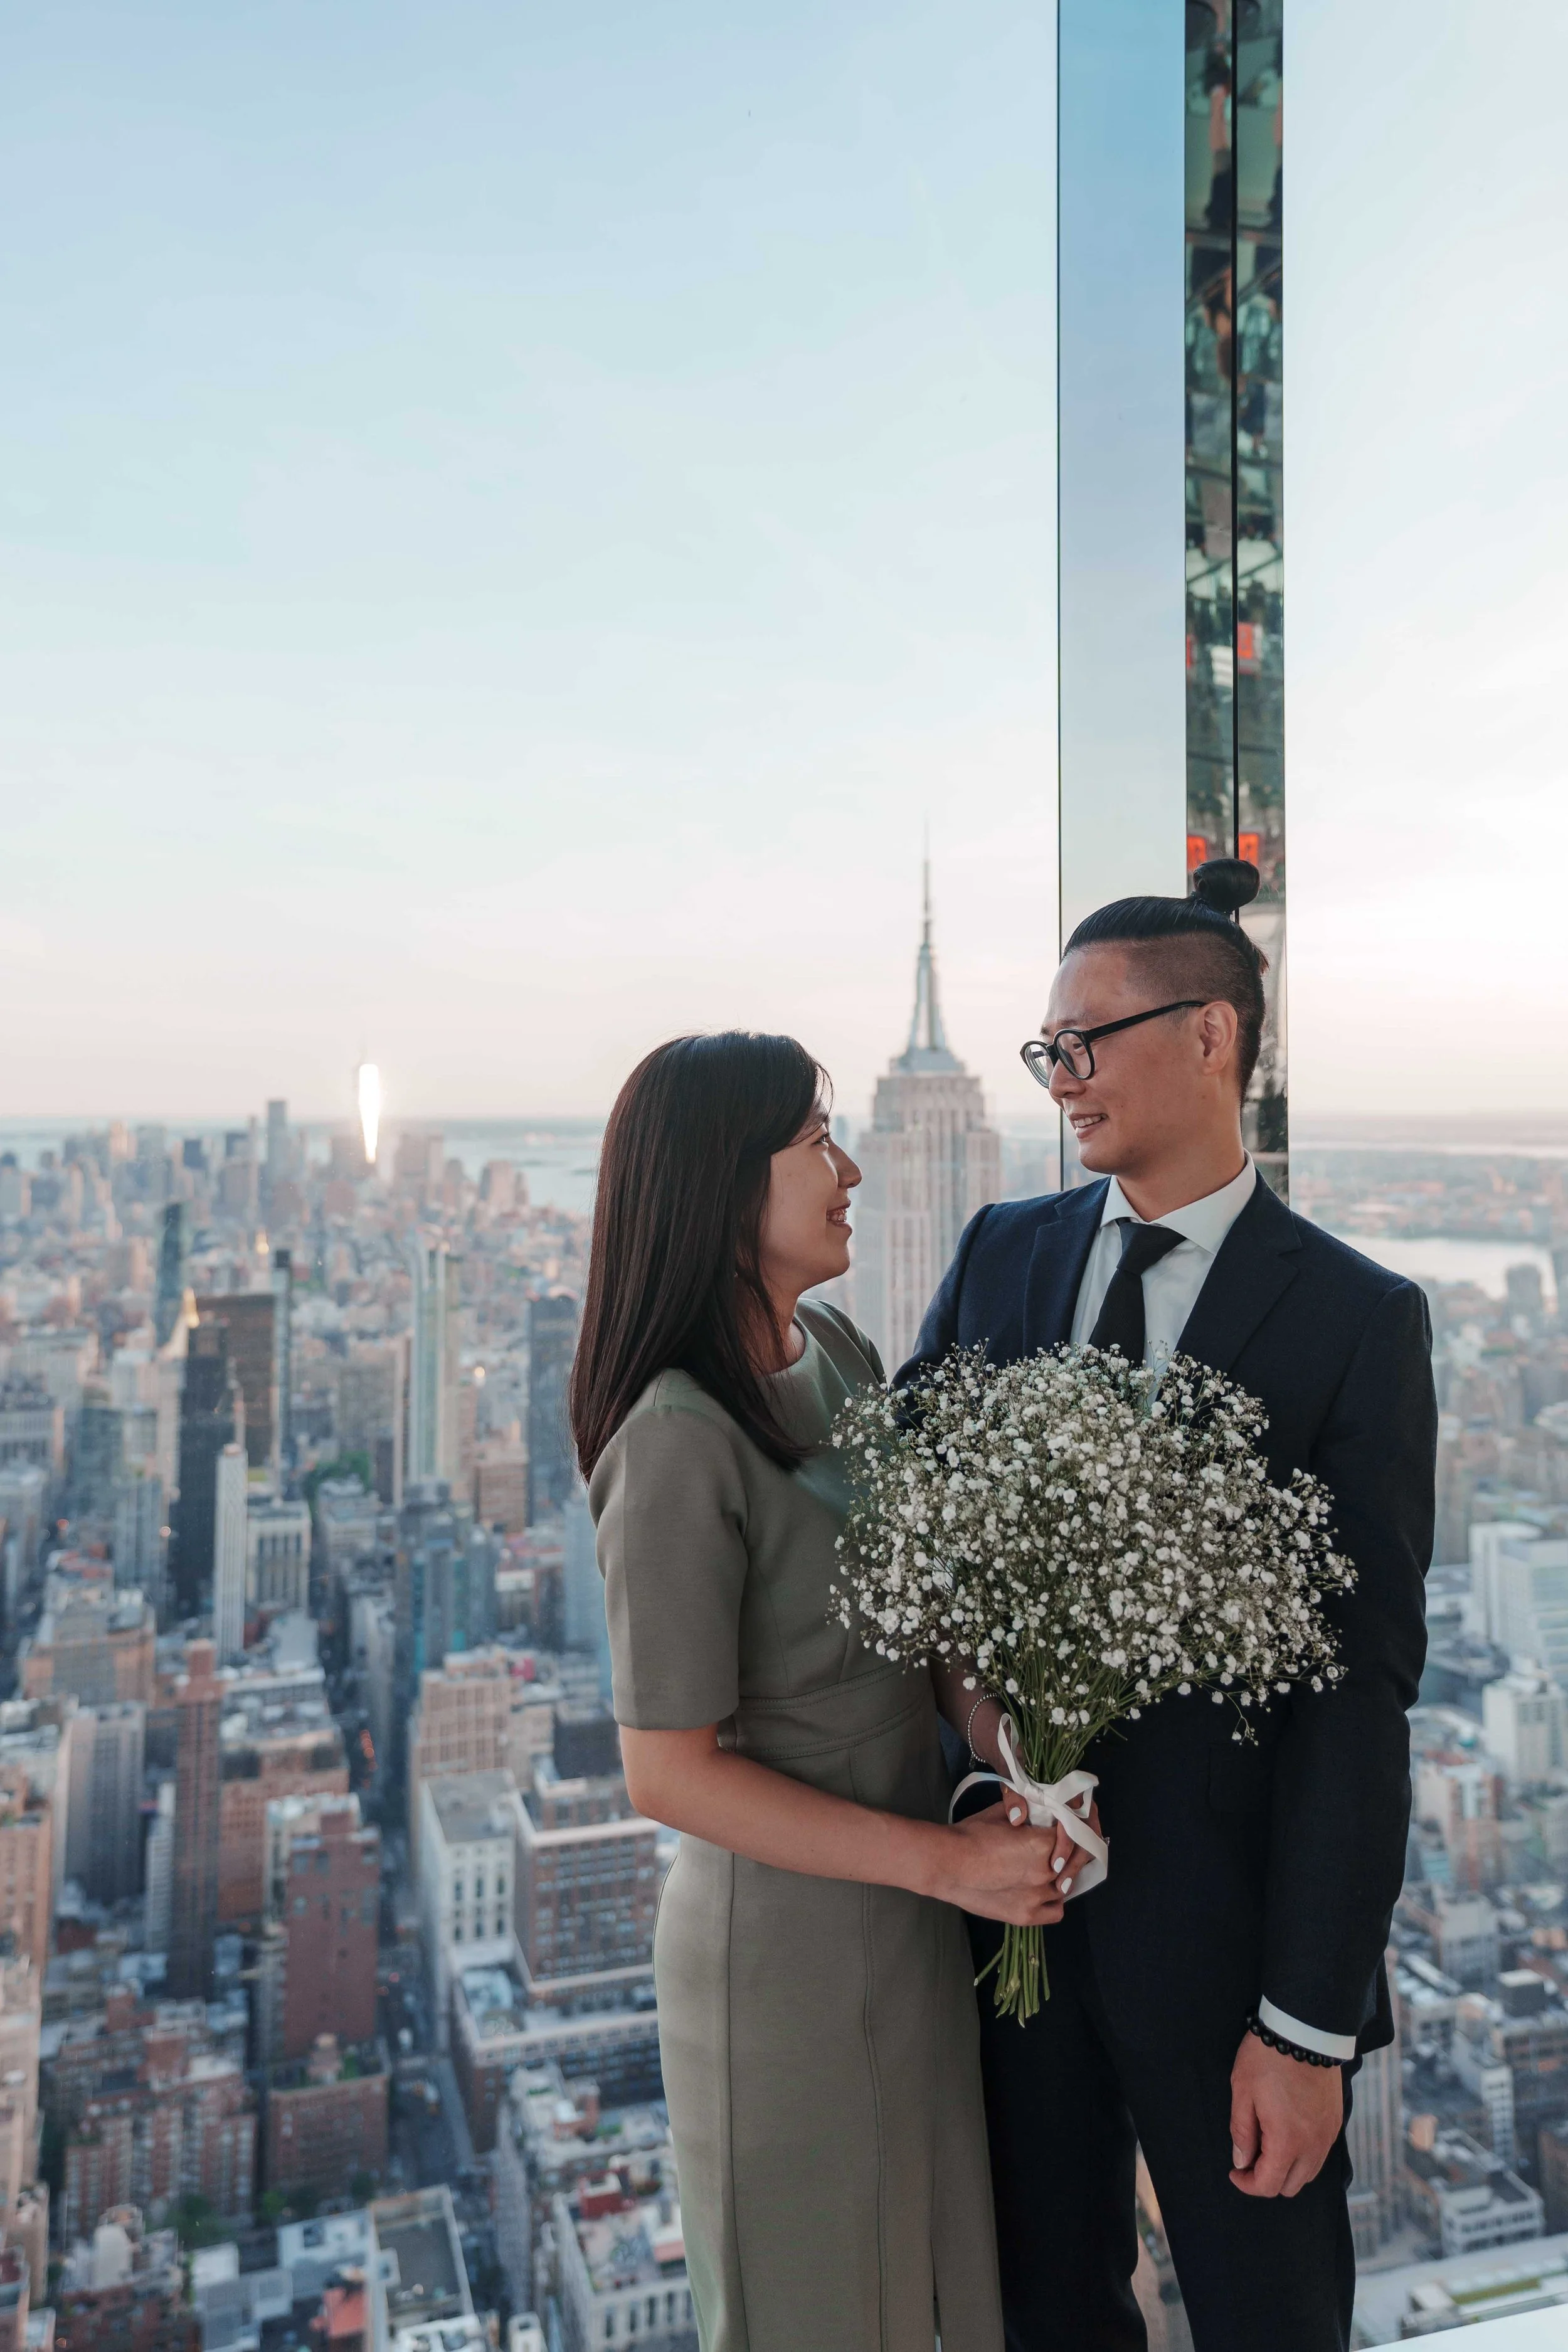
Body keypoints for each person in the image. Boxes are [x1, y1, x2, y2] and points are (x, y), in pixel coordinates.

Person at [901, 863, 1437, 2352]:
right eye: (1044, 1050)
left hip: (1234, 1978)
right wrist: (978, 1739)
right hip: (1013, 1940)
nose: (1058, 1076)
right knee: (1043, 2316)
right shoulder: (1000, 1252)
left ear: (1210, 1039)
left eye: (1086, 1038)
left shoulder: (1354, 1320)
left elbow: (1358, 1692)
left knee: (1272, 2323)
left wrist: (1305, 2027)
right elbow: (911, 1524)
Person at [570, 1031, 1071, 2352]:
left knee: (940, 2296)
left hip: (915, 1925)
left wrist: (993, 1730)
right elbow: (663, 1772)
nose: (848, 1168)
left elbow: (924, 1614)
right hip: (782, 1968)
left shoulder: (836, 1348)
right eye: (813, 1142)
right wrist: (944, 1866)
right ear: (722, 1188)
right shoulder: (675, 1438)